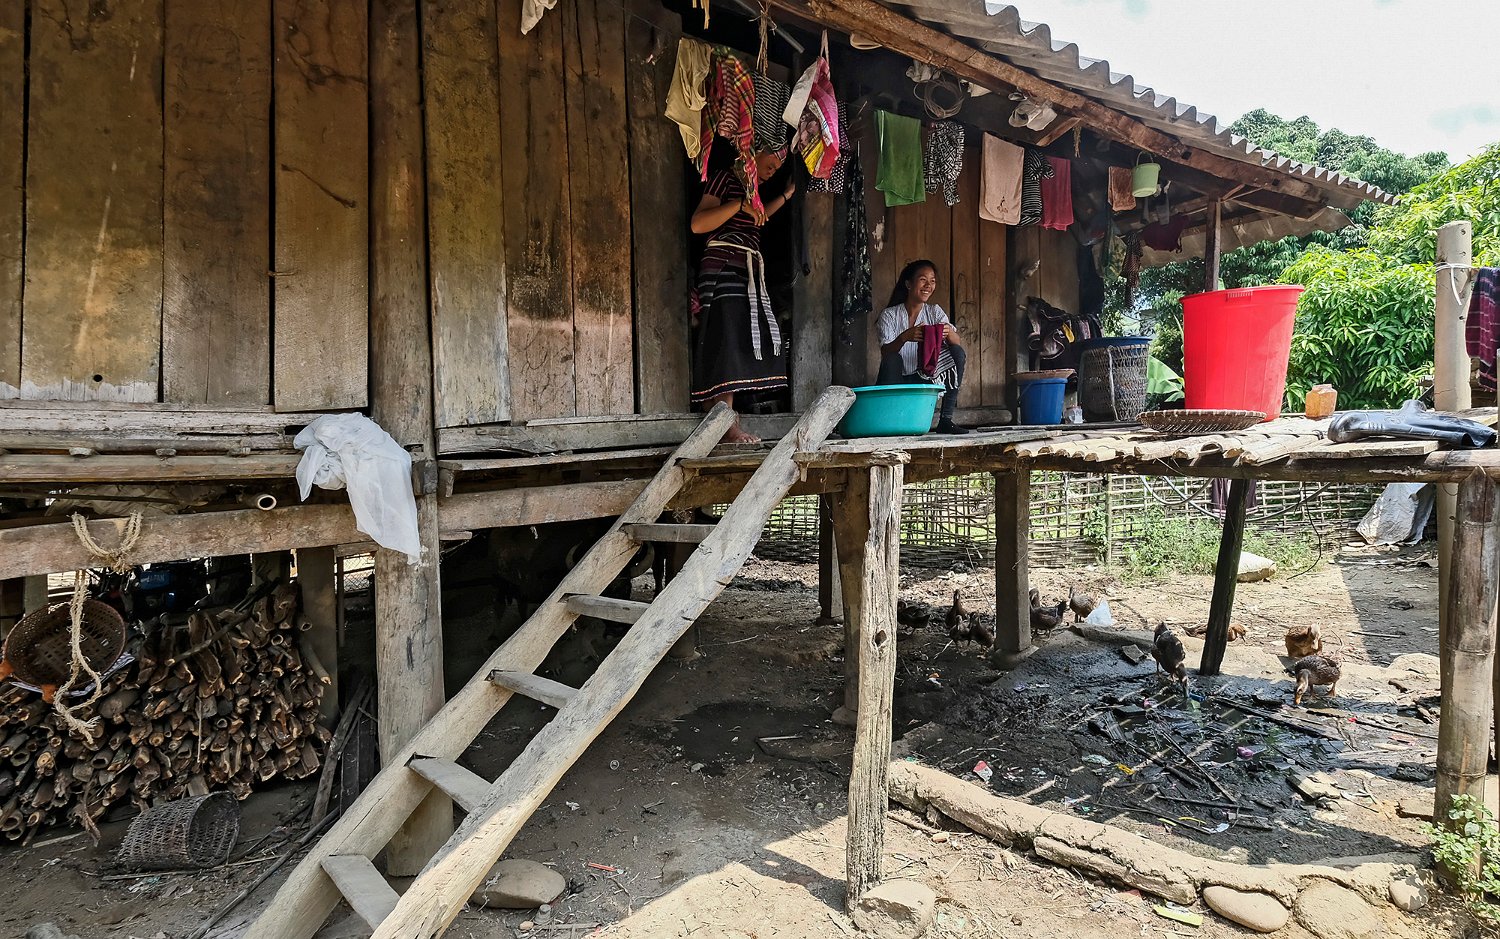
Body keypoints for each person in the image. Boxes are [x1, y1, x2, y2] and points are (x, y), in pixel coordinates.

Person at [689, 150, 797, 443]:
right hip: (723, 266)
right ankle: (726, 422)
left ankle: (716, 411)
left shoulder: (753, 191)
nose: (772, 171)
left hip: (745, 269)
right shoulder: (724, 179)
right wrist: (739, 204)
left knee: (735, 338)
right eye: (770, 164)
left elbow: (759, 217)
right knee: (728, 339)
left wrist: (785, 195)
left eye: (777, 168)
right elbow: (698, 224)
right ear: (753, 154)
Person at [875, 260, 969, 434]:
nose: (928, 286)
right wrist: (904, 337)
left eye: (932, 281)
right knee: (893, 358)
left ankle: (946, 420)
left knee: (957, 352)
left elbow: (957, 343)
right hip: (896, 381)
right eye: (923, 280)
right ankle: (890, 417)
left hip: (925, 378)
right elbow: (885, 352)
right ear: (909, 284)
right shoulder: (889, 315)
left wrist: (947, 331)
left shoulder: (934, 312)